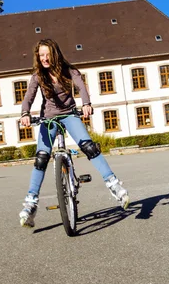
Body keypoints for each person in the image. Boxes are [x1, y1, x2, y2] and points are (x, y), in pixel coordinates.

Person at [19, 38, 130, 228]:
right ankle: (31, 205)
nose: (45, 58)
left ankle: (114, 185)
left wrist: (86, 104)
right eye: (41, 55)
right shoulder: (38, 76)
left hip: (70, 114)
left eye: (48, 54)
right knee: (41, 157)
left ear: (54, 54)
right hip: (49, 119)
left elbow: (81, 86)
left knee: (89, 147)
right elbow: (29, 96)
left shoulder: (69, 70)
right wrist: (25, 113)